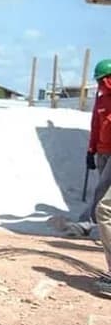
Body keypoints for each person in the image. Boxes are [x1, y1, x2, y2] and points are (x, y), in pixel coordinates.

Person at [63, 59, 111, 239]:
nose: (99, 85)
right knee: (106, 192)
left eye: (102, 81)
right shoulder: (101, 101)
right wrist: (91, 150)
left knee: (102, 189)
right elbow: (96, 126)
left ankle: (85, 224)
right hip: (102, 151)